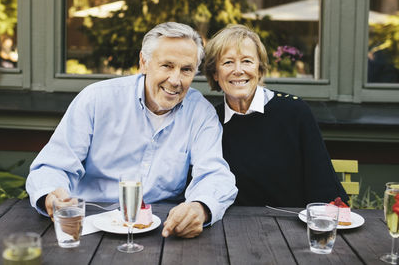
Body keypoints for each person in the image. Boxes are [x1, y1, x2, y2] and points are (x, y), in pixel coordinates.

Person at [26, 22, 237, 238]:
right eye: (167, 66)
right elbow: (52, 166)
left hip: (160, 231)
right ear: (144, 63)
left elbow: (215, 175)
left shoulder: (200, 112)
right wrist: (51, 195)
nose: (175, 80)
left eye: (186, 70)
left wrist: (200, 208)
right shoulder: (97, 99)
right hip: (89, 227)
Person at [203, 24, 348, 207]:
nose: (238, 70)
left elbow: (321, 182)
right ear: (215, 73)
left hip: (292, 228)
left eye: (247, 61)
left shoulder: (294, 111)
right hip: (231, 229)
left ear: (260, 69)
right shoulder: (210, 121)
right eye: (227, 62)